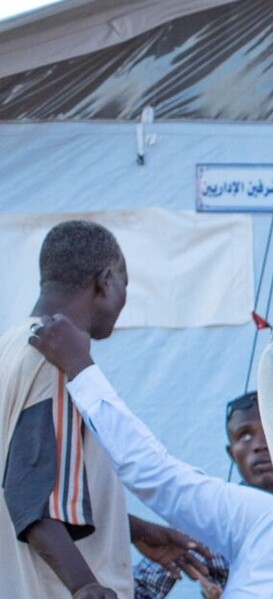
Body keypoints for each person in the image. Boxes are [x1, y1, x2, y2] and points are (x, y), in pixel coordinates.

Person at [29, 304, 273, 598]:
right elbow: (141, 590)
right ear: (229, 452)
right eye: (245, 436)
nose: (259, 446)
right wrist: (130, 528)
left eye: (268, 433)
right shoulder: (236, 519)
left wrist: (81, 370)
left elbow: (157, 477)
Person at [4, 221, 136, 598]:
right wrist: (86, 586)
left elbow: (47, 484)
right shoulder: (59, 356)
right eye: (125, 284)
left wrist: (136, 530)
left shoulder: (9, 350)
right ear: (106, 280)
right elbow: (31, 497)